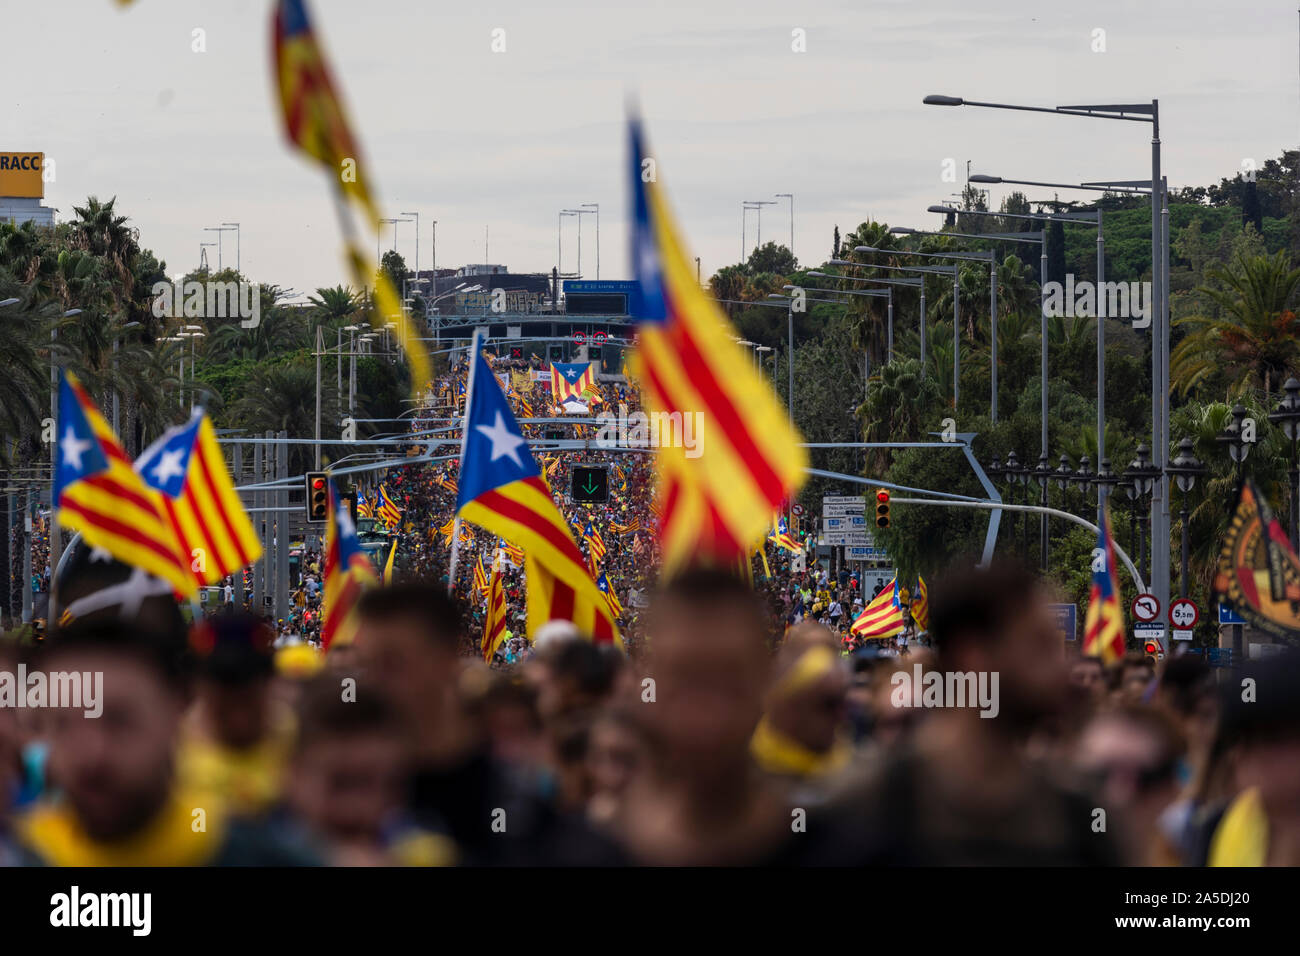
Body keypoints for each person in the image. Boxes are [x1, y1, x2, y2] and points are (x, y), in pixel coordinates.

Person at [830, 560, 1118, 865]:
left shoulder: (1077, 819)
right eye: (1040, 648)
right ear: (974, 657)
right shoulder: (864, 807)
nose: (1064, 669)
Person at [16, 618, 318, 866]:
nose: (91, 755)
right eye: (62, 724)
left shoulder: (261, 858)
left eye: (119, 721)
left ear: (177, 711)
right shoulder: (24, 855)